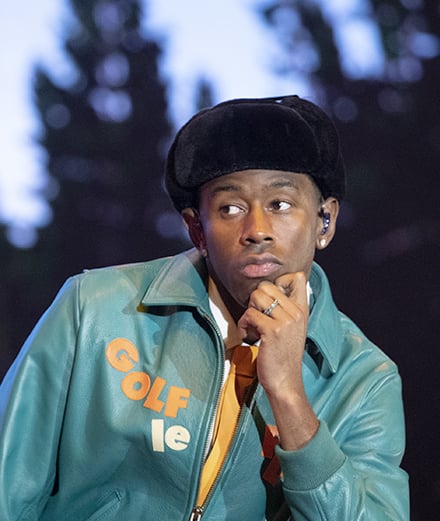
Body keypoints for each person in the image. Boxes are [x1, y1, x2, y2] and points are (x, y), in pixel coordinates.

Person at [0, 95, 409, 520]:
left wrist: (289, 395)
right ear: (198, 229)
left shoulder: (364, 378)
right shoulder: (94, 309)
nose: (257, 231)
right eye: (230, 208)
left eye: (280, 204)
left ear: (325, 221)